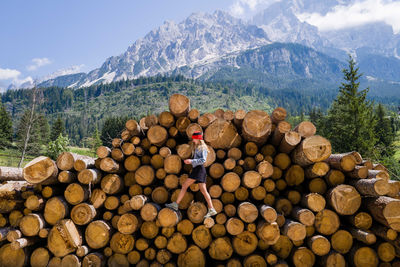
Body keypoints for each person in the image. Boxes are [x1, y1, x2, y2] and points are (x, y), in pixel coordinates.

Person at [166, 131, 217, 218]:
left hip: (199, 170)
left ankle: (176, 204)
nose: (193, 139)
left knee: (185, 186)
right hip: (197, 169)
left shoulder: (202, 148)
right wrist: (191, 161)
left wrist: (191, 161)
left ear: (198, 138)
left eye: (194, 138)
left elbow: (203, 160)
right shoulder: (197, 147)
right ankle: (212, 209)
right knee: (203, 191)